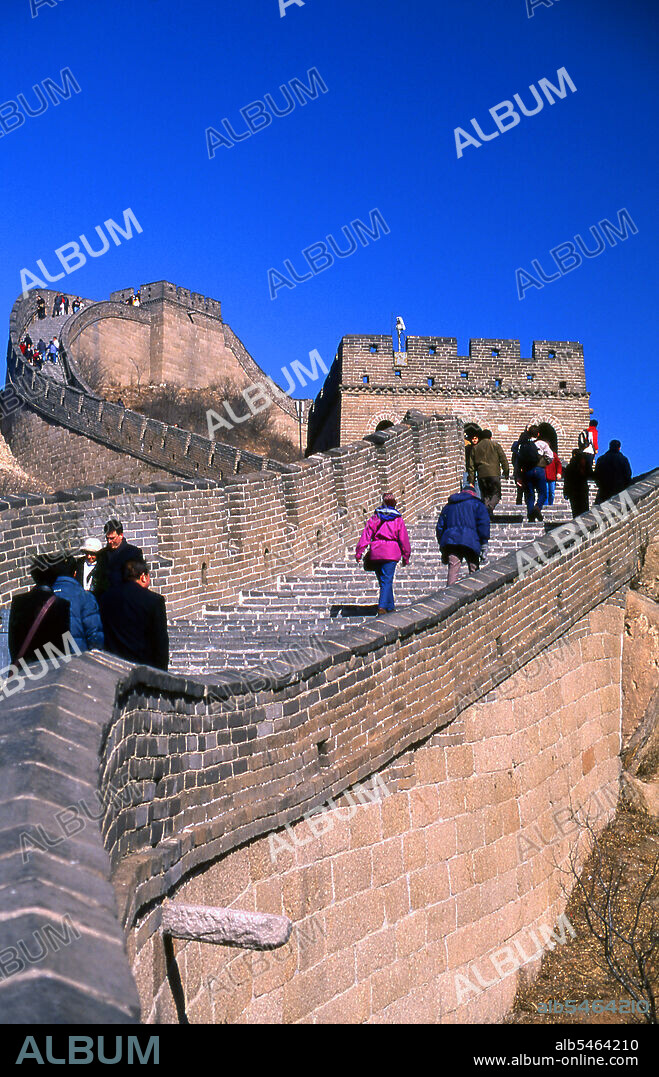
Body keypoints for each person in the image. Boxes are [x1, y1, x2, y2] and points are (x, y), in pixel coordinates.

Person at [100, 559, 169, 669]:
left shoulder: (106, 598)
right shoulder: (154, 600)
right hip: (144, 667)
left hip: (113, 665)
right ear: (143, 576)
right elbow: (160, 641)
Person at [8, 557, 71, 664]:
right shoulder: (62, 605)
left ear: (34, 575)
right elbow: (63, 646)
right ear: (54, 577)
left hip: (24, 668)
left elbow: (13, 643)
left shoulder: (18, 601)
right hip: (50, 670)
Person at [355, 494, 411, 614]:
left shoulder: (375, 518)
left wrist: (359, 552)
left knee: (384, 580)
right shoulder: (398, 519)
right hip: (391, 552)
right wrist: (406, 556)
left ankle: (390, 607)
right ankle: (382, 607)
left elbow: (366, 535)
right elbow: (404, 539)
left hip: (376, 552)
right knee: (387, 580)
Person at [436, 482, 491, 586]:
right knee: (473, 568)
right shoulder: (477, 504)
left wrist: (442, 544)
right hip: (471, 541)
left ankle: (449, 595)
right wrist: (484, 543)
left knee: (453, 568)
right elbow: (483, 524)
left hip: (451, 541)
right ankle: (475, 593)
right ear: (474, 493)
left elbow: (440, 526)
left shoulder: (449, 505)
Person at [52, 558, 104, 653]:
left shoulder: (45, 595)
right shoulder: (85, 597)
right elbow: (94, 633)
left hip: (50, 658)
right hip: (78, 656)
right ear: (75, 573)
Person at [468, 429, 509, 520]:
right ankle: (489, 508)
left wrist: (471, 480)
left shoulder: (475, 448)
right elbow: (503, 459)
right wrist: (506, 472)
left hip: (481, 475)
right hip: (494, 474)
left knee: (485, 495)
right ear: (491, 437)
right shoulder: (495, 445)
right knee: (496, 494)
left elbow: (471, 466)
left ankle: (487, 514)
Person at [94, 519, 143, 595]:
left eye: (112, 538)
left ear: (121, 535)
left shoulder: (134, 552)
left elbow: (139, 580)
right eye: (107, 538)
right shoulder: (102, 554)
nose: (109, 541)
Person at [517, 425, 553, 522]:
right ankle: (537, 508)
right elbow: (550, 456)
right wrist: (545, 463)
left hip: (527, 471)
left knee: (529, 494)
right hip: (539, 470)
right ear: (538, 434)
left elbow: (519, 459)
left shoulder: (523, 444)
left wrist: (519, 475)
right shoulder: (542, 444)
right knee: (543, 493)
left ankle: (530, 516)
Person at [563, 449, 590, 518]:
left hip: (573, 491)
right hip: (583, 490)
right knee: (584, 509)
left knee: (575, 510)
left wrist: (565, 492)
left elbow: (567, 481)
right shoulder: (584, 465)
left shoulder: (570, 466)